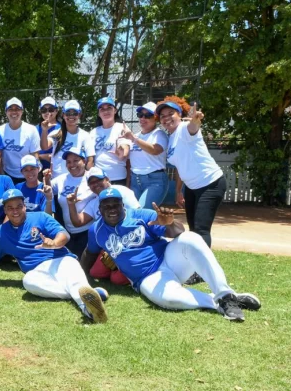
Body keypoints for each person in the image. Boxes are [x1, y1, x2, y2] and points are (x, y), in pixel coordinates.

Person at [86, 188, 261, 321]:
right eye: (106, 206)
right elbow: (90, 253)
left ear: (122, 204)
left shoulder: (141, 215)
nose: (112, 209)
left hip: (170, 259)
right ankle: (222, 302)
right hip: (147, 278)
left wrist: (170, 223)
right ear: (100, 209)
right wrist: (83, 279)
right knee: (169, 300)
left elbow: (178, 232)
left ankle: (224, 294)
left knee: (190, 238)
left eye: (115, 204)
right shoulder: (96, 230)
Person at [0, 189, 109, 324]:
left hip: (61, 260)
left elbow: (64, 235)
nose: (15, 211)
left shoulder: (40, 217)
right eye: (10, 208)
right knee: (28, 282)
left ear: (24, 206)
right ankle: (90, 294)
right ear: (4, 210)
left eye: (18, 206)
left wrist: (54, 243)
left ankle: (89, 311)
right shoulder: (1, 232)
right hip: (36, 271)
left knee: (72, 277)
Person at [158, 97, 226, 248]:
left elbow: (193, 127)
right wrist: (178, 191)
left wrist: (195, 120)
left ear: (180, 115)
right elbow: (179, 167)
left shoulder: (183, 129)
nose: (166, 118)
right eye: (162, 116)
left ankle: (202, 269)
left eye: (171, 113)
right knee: (193, 229)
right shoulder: (171, 138)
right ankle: (193, 264)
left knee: (201, 229)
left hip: (210, 183)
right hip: (191, 187)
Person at [121, 102, 169, 209]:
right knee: (130, 213)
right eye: (140, 115)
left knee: (141, 212)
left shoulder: (159, 134)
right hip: (135, 180)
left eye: (148, 115)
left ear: (156, 118)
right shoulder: (136, 136)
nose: (143, 118)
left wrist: (133, 139)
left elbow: (155, 150)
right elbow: (129, 162)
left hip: (154, 180)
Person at [49, 148, 96, 256]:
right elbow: (47, 188)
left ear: (84, 161)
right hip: (68, 232)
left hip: (87, 232)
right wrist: (46, 178)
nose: (72, 164)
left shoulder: (92, 178)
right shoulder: (61, 179)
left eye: (76, 160)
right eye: (68, 162)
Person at [40, 100, 95, 179]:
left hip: (77, 179)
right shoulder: (56, 134)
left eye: (74, 113)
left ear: (79, 115)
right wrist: (44, 130)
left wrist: (87, 178)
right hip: (57, 178)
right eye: (68, 113)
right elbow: (44, 147)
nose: (71, 116)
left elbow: (90, 161)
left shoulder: (85, 136)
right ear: (63, 115)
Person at [0, 97, 41, 185]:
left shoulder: (31, 130)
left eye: (17, 109)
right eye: (10, 109)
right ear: (6, 112)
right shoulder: (0, 130)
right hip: (8, 174)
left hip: (28, 175)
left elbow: (35, 156)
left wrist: (33, 177)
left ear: (22, 111)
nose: (14, 112)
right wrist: (0, 177)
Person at [89, 97, 131, 185]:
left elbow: (125, 149)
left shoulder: (121, 128)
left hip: (118, 178)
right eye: (102, 109)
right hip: (99, 179)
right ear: (99, 113)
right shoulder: (93, 132)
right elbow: (90, 158)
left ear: (115, 111)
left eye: (109, 108)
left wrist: (122, 152)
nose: (106, 111)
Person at [36, 97, 61, 173]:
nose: (48, 112)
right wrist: (42, 157)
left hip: (56, 170)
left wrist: (41, 156)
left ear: (56, 111)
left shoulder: (62, 129)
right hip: (37, 171)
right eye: (44, 110)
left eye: (51, 109)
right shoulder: (34, 129)